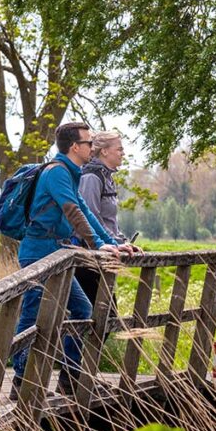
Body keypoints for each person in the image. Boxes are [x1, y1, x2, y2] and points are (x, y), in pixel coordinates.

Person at [10, 122, 129, 399]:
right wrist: (98, 244)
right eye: (88, 143)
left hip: (58, 253)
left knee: (83, 310)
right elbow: (72, 210)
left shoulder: (71, 173)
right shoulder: (56, 173)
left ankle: (69, 379)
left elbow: (86, 211)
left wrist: (111, 244)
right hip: (38, 253)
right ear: (74, 147)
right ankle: (21, 382)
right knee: (32, 314)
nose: (92, 147)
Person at [76, 131, 143, 306]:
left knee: (104, 319)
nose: (123, 153)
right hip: (90, 258)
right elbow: (90, 217)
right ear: (104, 151)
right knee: (100, 318)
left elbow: (108, 220)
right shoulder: (91, 177)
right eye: (119, 149)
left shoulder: (106, 177)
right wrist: (112, 242)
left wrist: (122, 242)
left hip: (104, 254)